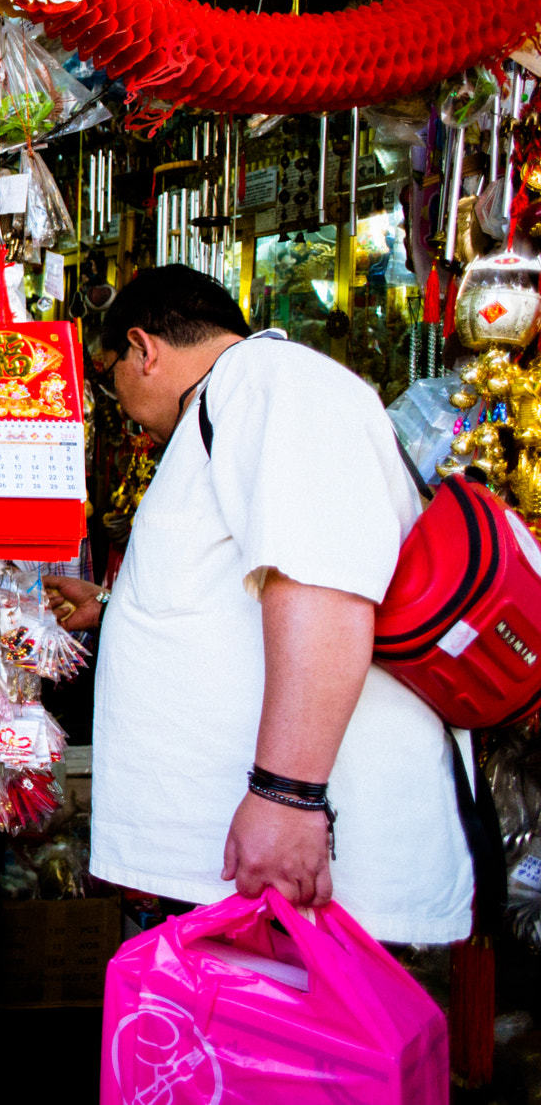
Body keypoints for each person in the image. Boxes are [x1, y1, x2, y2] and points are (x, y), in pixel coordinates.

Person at [45, 265, 470, 943]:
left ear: (142, 349)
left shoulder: (271, 384)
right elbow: (242, 586)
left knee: (298, 1042)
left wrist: (288, 797)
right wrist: (113, 605)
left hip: (299, 861)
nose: (117, 399)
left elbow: (322, 586)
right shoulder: (231, 402)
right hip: (259, 870)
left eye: (110, 376)